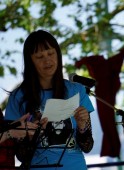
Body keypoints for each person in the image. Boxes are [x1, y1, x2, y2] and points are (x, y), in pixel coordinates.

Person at [4, 30, 94, 170]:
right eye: (39, 57)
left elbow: (87, 147)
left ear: (58, 55)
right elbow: (21, 156)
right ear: (30, 61)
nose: (47, 60)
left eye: (51, 54)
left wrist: (82, 126)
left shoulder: (77, 90)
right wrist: (29, 135)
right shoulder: (18, 97)